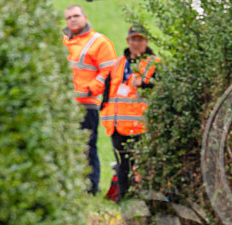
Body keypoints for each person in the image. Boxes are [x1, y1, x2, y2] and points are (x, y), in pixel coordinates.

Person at [100, 25, 160, 201]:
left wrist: (144, 84)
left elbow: (162, 88)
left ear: (146, 42)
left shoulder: (154, 64)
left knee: (144, 165)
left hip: (141, 126)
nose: (136, 43)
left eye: (140, 39)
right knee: (122, 165)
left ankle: (146, 199)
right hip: (117, 125)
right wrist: (104, 108)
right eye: (133, 39)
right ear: (128, 41)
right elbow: (108, 89)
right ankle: (124, 199)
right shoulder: (118, 63)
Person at [62, 4, 117, 195]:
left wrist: (91, 89)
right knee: (66, 148)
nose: (73, 20)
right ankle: (70, 187)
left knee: (87, 147)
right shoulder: (61, 42)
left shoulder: (99, 42)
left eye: (76, 16)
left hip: (86, 104)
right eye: (68, 17)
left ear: (85, 17)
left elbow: (109, 70)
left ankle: (91, 187)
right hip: (63, 106)